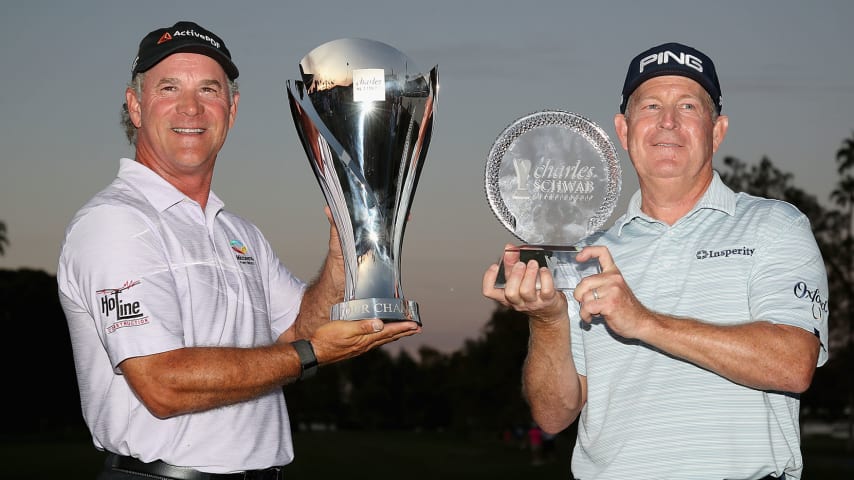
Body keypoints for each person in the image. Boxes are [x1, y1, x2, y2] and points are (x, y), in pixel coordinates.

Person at [57, 21, 421, 479]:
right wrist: (312, 355)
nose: (190, 107)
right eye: (169, 87)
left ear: (232, 109)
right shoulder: (114, 223)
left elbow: (298, 328)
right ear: (135, 106)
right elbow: (161, 384)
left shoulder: (239, 233)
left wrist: (343, 249)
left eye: (209, 90)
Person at [483, 42, 829, 479]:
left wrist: (642, 320)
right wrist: (548, 319)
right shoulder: (585, 254)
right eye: (650, 106)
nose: (668, 122)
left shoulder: (775, 225)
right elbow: (554, 415)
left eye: (688, 105)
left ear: (717, 130)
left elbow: (793, 364)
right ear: (624, 131)